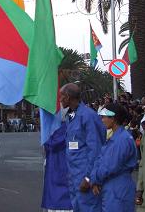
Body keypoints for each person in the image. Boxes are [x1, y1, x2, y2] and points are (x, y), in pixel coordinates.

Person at [60, 83, 106, 212]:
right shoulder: (71, 116)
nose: (60, 99)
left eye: (62, 96)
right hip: (74, 178)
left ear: (68, 97)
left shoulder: (88, 116)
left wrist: (89, 178)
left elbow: (96, 150)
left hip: (86, 179)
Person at [83, 103, 136, 212]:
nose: (102, 120)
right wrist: (95, 179)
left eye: (104, 117)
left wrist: (94, 179)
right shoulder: (115, 138)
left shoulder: (122, 140)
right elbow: (100, 160)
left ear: (113, 118)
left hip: (118, 187)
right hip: (111, 186)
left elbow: (109, 166)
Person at [41, 112, 73, 212]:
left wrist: (45, 137)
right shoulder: (68, 125)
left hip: (59, 168)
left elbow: (50, 144)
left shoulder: (61, 128)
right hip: (59, 167)